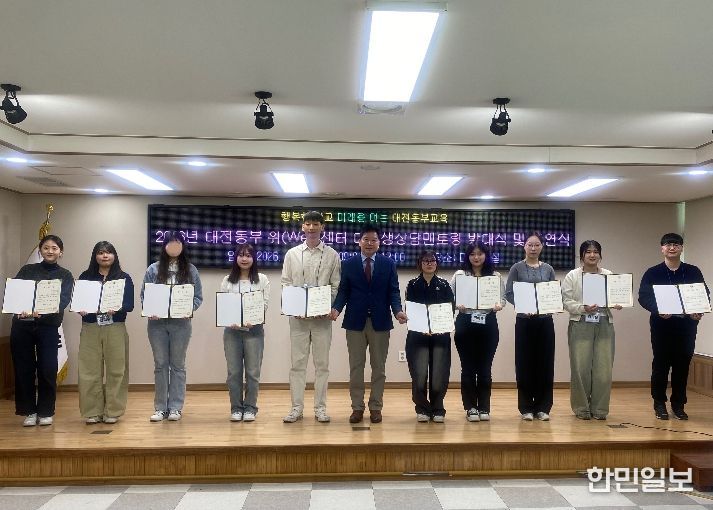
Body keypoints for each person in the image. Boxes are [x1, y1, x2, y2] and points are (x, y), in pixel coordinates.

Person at [330, 224, 407, 424]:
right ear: (359, 242)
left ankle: (375, 407)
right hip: (355, 322)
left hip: (380, 322)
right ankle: (357, 408)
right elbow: (344, 291)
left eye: (374, 240)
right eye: (366, 239)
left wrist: (398, 311)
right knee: (356, 367)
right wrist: (336, 308)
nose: (369, 243)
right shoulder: (348, 264)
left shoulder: (388, 264)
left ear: (379, 243)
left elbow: (393, 291)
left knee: (379, 368)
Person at [638, 233, 707, 420]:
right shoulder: (653, 272)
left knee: (682, 365)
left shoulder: (693, 271)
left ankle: (678, 404)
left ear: (681, 248)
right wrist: (658, 309)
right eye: (668, 244)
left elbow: (703, 295)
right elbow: (643, 297)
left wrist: (698, 311)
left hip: (686, 326)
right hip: (662, 325)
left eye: (676, 244)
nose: (672, 247)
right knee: (660, 365)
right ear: (662, 248)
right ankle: (659, 403)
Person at [281, 211, 341, 423]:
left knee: (322, 365)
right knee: (297, 365)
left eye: (316, 224)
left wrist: (327, 306)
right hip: (298, 319)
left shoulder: (332, 255)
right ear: (302, 227)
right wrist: (293, 306)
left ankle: (320, 408)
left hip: (322, 320)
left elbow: (335, 285)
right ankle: (296, 408)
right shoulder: (292, 254)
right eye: (308, 224)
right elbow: (286, 283)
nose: (312, 228)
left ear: (322, 227)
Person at [11, 235, 73, 427]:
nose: (50, 251)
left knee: (47, 369)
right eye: (46, 248)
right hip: (22, 326)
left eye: (54, 248)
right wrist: (21, 308)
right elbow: (16, 293)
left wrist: (42, 311)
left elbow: (63, 301)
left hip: (48, 327)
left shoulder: (65, 275)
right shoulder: (27, 270)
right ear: (40, 251)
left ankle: (46, 411)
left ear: (61, 252)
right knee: (24, 369)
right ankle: (29, 411)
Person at [142, 232, 203, 422]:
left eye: (177, 242)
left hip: (181, 324)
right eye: (170, 242)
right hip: (157, 324)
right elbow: (144, 295)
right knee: (160, 365)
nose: (174, 246)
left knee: (178, 365)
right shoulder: (153, 269)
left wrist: (189, 308)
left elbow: (198, 297)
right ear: (164, 245)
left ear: (183, 246)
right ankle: (160, 408)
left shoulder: (191, 270)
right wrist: (149, 309)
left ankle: (175, 407)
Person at [562, 240, 621, 421]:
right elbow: (566, 301)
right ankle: (581, 408)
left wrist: (619, 302)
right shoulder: (573, 275)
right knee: (580, 368)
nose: (592, 255)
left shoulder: (608, 275)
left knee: (604, 369)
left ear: (600, 255)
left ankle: (600, 409)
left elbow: (616, 295)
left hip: (604, 323)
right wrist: (583, 308)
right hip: (580, 323)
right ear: (582, 255)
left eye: (596, 251)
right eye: (588, 252)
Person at [77, 241, 135, 425]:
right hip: (90, 327)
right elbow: (79, 300)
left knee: (117, 370)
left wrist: (117, 308)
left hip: (115, 326)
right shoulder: (85, 276)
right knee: (88, 370)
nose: (104, 256)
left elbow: (129, 305)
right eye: (100, 252)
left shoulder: (124, 277)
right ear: (95, 256)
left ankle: (113, 411)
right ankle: (92, 411)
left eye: (108, 252)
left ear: (114, 256)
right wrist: (80, 308)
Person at [450, 241, 505, 422]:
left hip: (488, 322)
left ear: (486, 255)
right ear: (467, 256)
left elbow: (503, 299)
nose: (476, 257)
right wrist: (457, 304)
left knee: (485, 368)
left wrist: (499, 305)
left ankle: (484, 407)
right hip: (465, 322)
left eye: (480, 253)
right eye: (472, 254)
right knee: (467, 368)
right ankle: (470, 407)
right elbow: (449, 298)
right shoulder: (460, 275)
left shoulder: (495, 276)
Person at [505, 231, 557, 421]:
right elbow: (509, 293)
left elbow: (553, 293)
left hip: (545, 321)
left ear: (542, 247)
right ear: (524, 246)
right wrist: (522, 306)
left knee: (545, 363)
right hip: (524, 321)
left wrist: (551, 305)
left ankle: (543, 407)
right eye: (530, 244)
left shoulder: (548, 269)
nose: (533, 248)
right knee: (524, 363)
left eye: (537, 245)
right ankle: (526, 407)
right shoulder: (516, 268)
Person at [220, 244, 270, 422]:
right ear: (235, 258)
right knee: (234, 372)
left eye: (248, 255)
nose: (244, 259)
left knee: (252, 372)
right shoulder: (227, 280)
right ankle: (236, 408)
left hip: (254, 331)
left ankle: (250, 408)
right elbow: (224, 304)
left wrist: (254, 318)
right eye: (241, 255)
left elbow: (264, 304)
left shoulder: (262, 279)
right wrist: (229, 319)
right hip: (232, 331)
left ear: (254, 258)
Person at [405, 250, 454, 423]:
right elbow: (411, 309)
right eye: (425, 261)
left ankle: (438, 408)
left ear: (437, 263)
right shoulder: (412, 284)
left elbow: (450, 309)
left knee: (438, 374)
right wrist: (422, 326)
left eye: (432, 260)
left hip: (440, 335)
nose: (429, 263)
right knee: (419, 374)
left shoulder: (444, 284)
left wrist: (440, 326)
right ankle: (422, 408)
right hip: (418, 335)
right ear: (420, 263)